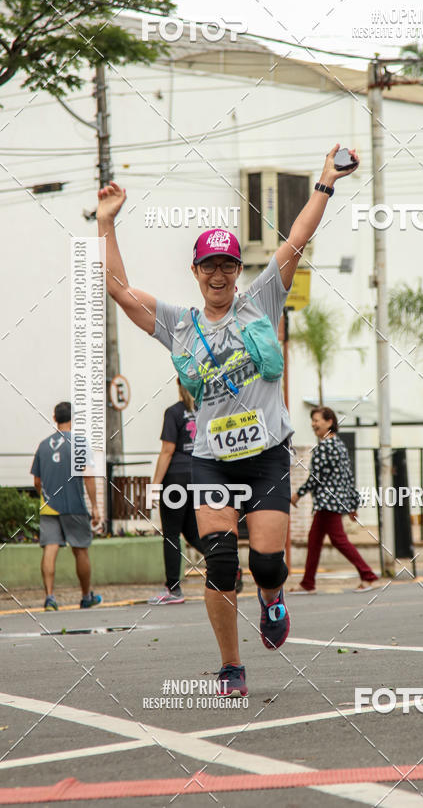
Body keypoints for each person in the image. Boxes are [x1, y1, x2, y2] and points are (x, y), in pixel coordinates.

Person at [95, 144, 359, 697]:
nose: (219, 273)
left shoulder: (261, 301)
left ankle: (272, 599)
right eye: (209, 265)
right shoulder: (179, 323)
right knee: (219, 562)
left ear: (239, 272)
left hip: (266, 457)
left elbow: (296, 239)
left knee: (265, 564)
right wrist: (106, 223)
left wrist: (325, 182)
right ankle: (231, 666)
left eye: (228, 265)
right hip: (212, 462)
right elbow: (117, 289)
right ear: (196, 271)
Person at [147, 380, 243, 604]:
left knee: (171, 534)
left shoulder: (174, 412)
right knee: (191, 532)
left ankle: (174, 590)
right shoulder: (208, 411)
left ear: (180, 386)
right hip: (200, 475)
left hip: (176, 478)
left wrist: (154, 486)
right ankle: (231, 564)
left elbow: (167, 450)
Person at [290, 407, 380, 593]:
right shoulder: (339, 445)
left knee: (339, 541)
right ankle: (308, 583)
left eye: (317, 420)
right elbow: (348, 477)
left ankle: (368, 575)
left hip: (326, 503)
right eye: (313, 420)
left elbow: (316, 479)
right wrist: (352, 504)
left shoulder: (324, 447)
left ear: (329, 422)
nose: (314, 424)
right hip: (335, 502)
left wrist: (297, 494)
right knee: (314, 540)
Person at [31, 402, 102, 610]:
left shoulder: (43, 445)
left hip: (48, 506)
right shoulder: (79, 443)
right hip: (74, 504)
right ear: (73, 419)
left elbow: (37, 481)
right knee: (80, 550)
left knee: (50, 548)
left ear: (55, 419)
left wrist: (44, 496)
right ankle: (86, 595)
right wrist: (96, 507)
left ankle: (50, 597)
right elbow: (88, 475)